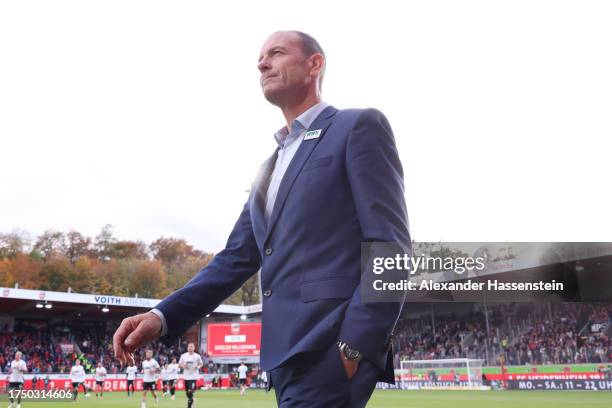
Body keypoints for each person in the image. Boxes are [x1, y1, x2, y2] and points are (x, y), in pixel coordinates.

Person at [113, 30, 410, 408]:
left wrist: (354, 347)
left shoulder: (357, 127)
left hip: (330, 350)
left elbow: (391, 248)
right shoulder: (269, 167)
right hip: (282, 361)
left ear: (314, 64)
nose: (262, 63)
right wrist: (162, 315)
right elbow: (235, 258)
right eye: (260, 57)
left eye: (277, 53)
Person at [178, 343, 203, 408]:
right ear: (187, 348)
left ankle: (189, 406)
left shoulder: (197, 356)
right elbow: (179, 364)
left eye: (191, 347)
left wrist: (197, 367)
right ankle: (192, 399)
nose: (190, 348)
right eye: (189, 347)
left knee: (190, 391)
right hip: (186, 376)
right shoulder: (183, 356)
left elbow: (201, 364)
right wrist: (183, 366)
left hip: (193, 376)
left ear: (194, 348)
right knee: (187, 393)